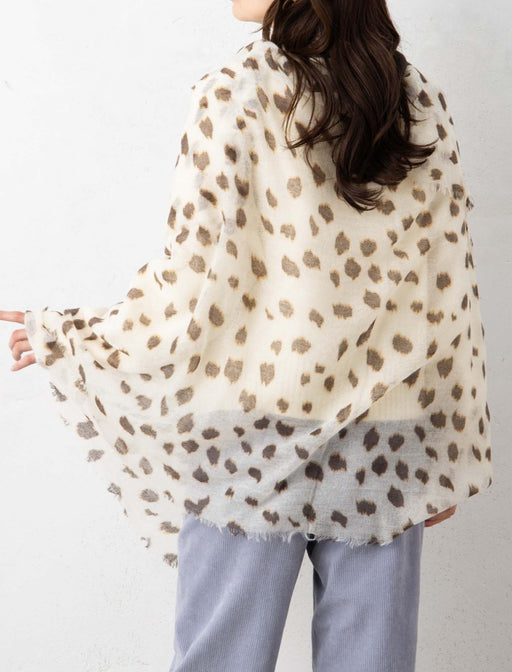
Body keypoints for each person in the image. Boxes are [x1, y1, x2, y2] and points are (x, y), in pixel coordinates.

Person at [1, 1, 492, 671]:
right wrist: (444, 455)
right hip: (387, 432)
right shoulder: (414, 99)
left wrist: (79, 337)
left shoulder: (234, 92)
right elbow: (448, 287)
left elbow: (192, 280)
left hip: (252, 429)